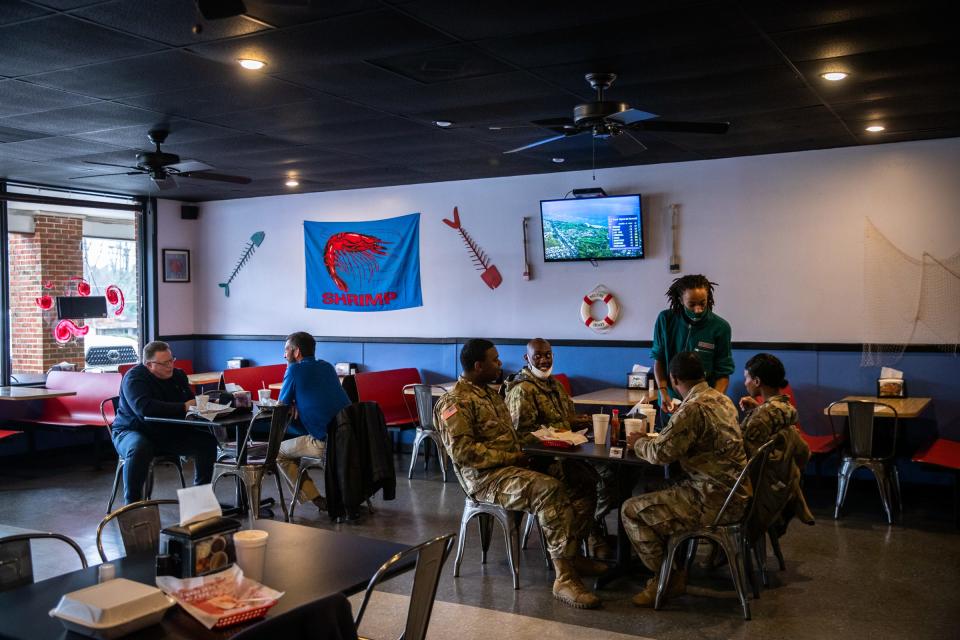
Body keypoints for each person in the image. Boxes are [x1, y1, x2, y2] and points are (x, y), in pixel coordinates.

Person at [435, 339, 605, 609]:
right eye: (495, 359)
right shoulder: (453, 402)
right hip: (485, 479)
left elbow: (511, 437)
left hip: (511, 467)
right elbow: (465, 454)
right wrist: (512, 457)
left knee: (583, 480)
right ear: (478, 366)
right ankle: (564, 578)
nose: (500, 363)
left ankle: (571, 554)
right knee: (548, 489)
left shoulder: (490, 393)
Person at [622, 352, 748, 607]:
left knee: (631, 510)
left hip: (711, 500)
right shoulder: (723, 400)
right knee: (653, 489)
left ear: (674, 378)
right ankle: (671, 565)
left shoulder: (692, 409)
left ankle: (667, 578)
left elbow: (660, 454)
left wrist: (639, 442)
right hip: (737, 493)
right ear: (703, 375)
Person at [505, 337, 614, 559]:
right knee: (591, 483)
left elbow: (563, 418)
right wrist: (562, 430)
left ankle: (589, 530)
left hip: (569, 452)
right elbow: (521, 437)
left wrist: (576, 421)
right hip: (542, 461)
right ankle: (576, 547)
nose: (544, 360)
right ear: (527, 358)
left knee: (613, 476)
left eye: (548, 355)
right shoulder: (522, 389)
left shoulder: (554, 384)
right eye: (538, 356)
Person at [111, 341, 218, 504]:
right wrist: (183, 407)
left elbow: (189, 403)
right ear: (149, 364)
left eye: (171, 360)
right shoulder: (134, 378)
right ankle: (132, 505)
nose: (170, 366)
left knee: (206, 442)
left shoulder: (178, 375)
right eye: (164, 363)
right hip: (131, 431)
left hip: (166, 431)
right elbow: (144, 408)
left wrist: (206, 406)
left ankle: (200, 502)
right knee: (139, 447)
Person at [738, 353, 814, 537]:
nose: (745, 382)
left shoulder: (760, 419)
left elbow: (742, 458)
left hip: (756, 489)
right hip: (782, 482)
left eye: (746, 377)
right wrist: (757, 408)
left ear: (757, 381)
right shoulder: (787, 409)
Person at [277, 331, 351, 511]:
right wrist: (295, 401)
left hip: (326, 443)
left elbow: (280, 406)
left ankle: (316, 499)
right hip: (349, 437)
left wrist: (290, 403)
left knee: (278, 453)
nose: (284, 355)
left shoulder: (294, 369)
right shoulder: (327, 367)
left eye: (287, 350)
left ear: (297, 352)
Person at [651, 274, 734, 413]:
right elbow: (659, 360)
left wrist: (711, 402)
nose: (698, 309)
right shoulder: (665, 320)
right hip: (671, 402)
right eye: (692, 304)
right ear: (681, 300)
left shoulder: (720, 327)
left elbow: (723, 373)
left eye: (702, 303)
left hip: (704, 405)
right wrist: (663, 392)